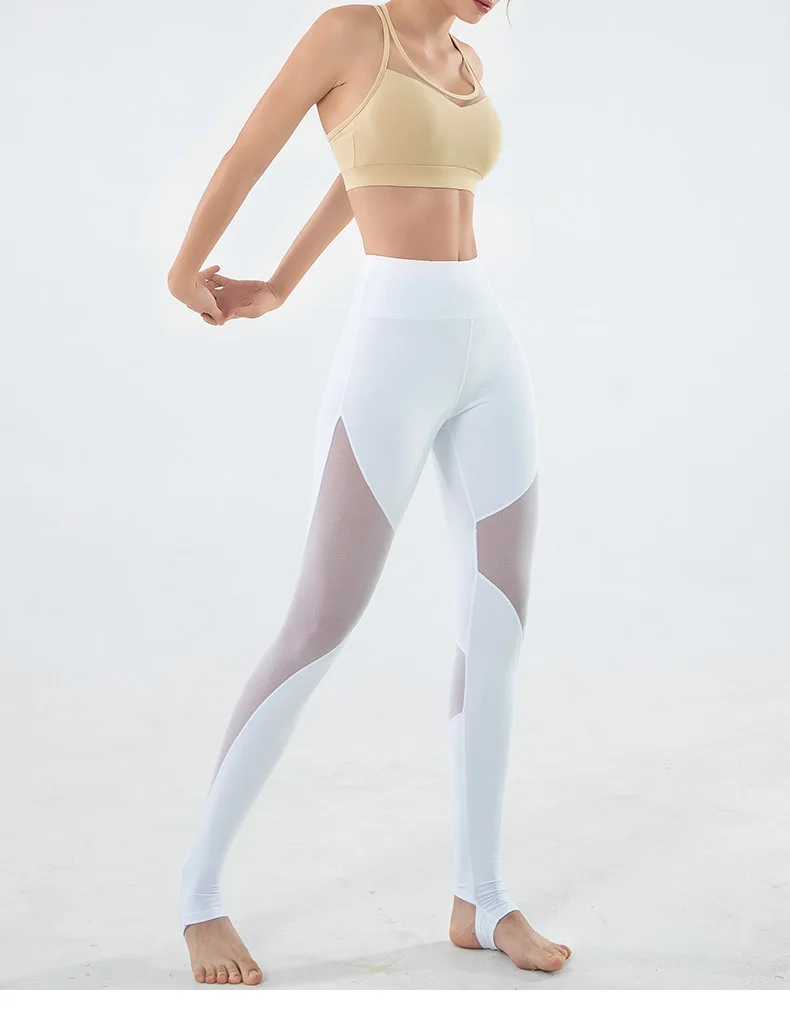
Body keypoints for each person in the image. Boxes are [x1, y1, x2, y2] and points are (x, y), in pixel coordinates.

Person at [167, 0, 570, 986]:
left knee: (499, 618)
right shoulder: (354, 31)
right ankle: (200, 896)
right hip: (391, 352)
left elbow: (368, 175)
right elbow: (251, 150)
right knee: (320, 622)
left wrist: (284, 280)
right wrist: (186, 269)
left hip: (485, 344)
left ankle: (480, 897)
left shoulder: (463, 56)